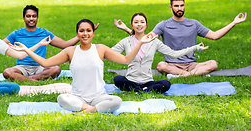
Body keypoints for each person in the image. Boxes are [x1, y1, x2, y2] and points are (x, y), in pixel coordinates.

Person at [10, 19, 157, 113]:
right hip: (77, 97)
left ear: (93, 33)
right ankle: (92, 110)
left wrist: (141, 43)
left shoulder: (101, 49)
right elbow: (45, 63)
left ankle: (86, 111)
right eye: (82, 31)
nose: (85, 33)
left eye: (88, 30)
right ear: (77, 33)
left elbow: (125, 60)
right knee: (62, 98)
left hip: (99, 96)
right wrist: (26, 50)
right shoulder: (70, 51)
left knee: (117, 101)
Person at [114, 0, 247, 77]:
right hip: (172, 65)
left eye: (182, 5)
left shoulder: (193, 24)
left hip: (191, 64)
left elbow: (215, 36)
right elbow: (145, 39)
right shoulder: (163, 25)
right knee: (161, 65)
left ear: (184, 6)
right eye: (176, 6)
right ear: (171, 7)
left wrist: (234, 23)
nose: (179, 8)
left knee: (213, 64)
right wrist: (126, 28)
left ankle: (184, 75)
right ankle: (194, 75)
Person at [0, 5, 96, 82]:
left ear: (37, 17)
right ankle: (34, 81)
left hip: (40, 67)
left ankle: (29, 80)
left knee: (56, 69)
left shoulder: (44, 33)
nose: (31, 18)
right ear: (24, 18)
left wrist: (83, 35)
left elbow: (65, 45)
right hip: (22, 67)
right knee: (8, 72)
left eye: (34, 16)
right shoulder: (16, 33)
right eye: (28, 16)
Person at [112, 13, 208, 93]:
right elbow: (110, 52)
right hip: (130, 80)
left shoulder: (154, 42)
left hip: (148, 81)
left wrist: (195, 48)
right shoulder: (126, 41)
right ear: (132, 25)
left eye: (142, 22)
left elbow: (174, 54)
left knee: (166, 84)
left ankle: (138, 91)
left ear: (146, 25)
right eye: (136, 22)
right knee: (118, 79)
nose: (139, 24)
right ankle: (142, 90)